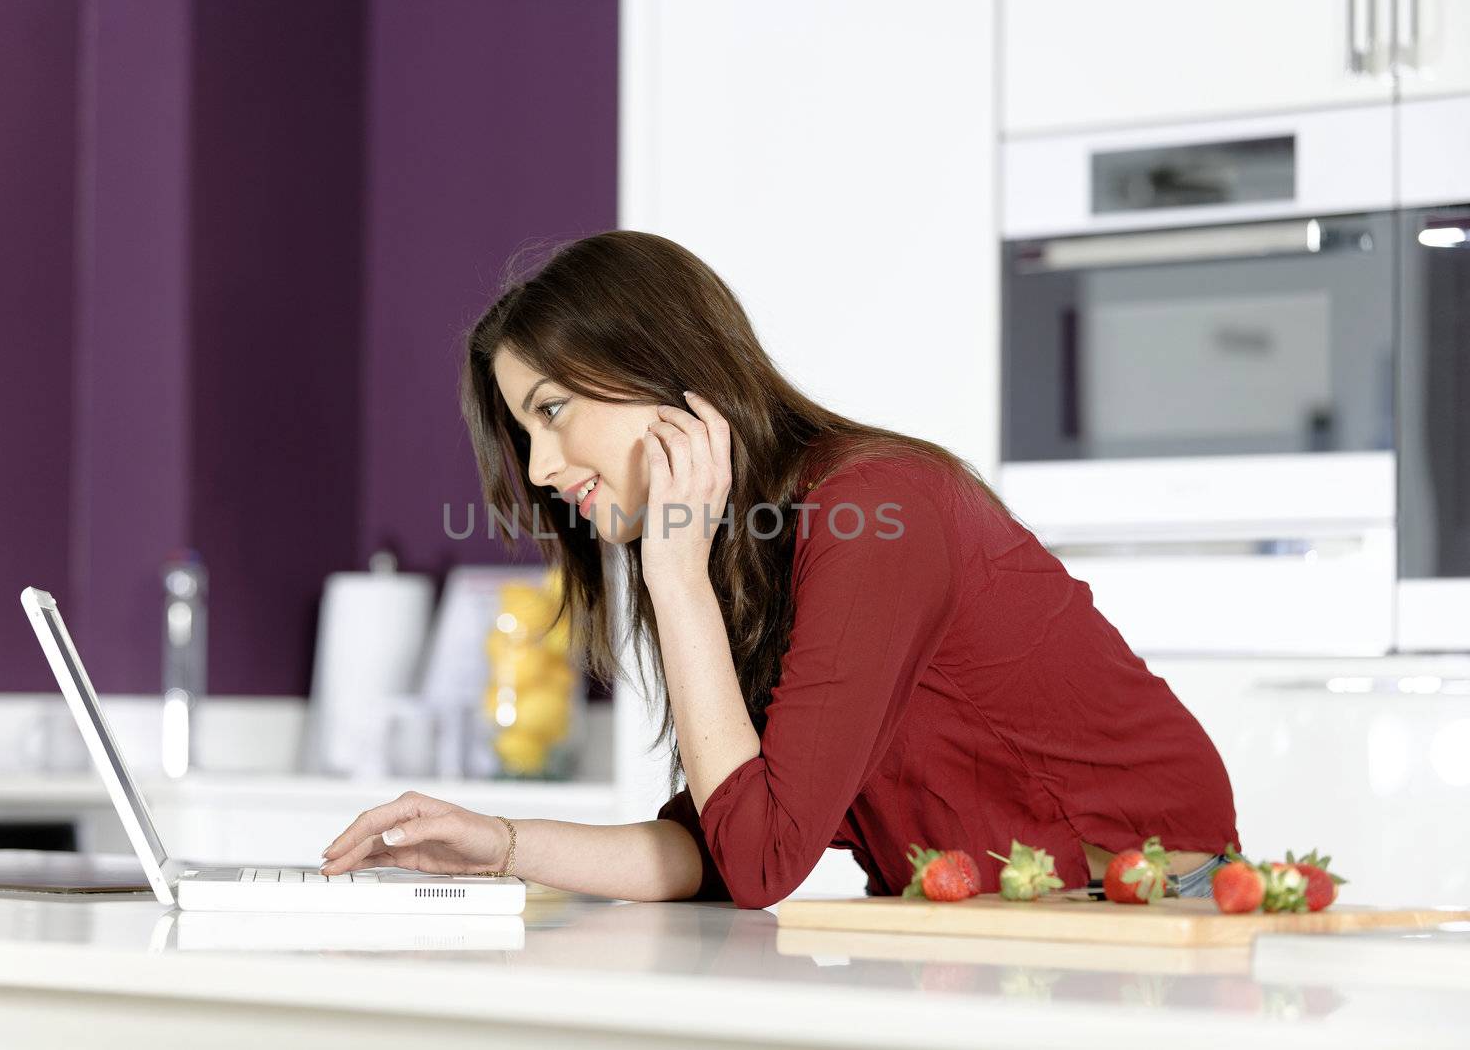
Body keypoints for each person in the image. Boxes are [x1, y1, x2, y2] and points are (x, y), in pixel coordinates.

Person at [321, 230, 1240, 908]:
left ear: (659, 367)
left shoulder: (875, 510)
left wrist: (672, 578)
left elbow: (763, 862)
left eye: (552, 410)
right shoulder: (751, 546)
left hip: (1144, 900)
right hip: (993, 920)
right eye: (524, 434)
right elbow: (720, 844)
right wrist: (500, 846)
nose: (540, 469)